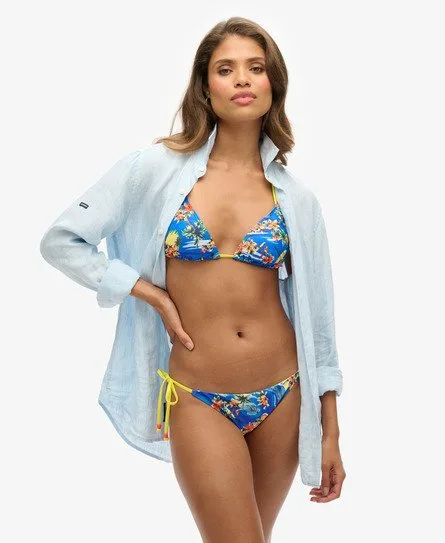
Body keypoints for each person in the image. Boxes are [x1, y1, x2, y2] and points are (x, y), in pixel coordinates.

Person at [40, 16, 346, 543]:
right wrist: (147, 292)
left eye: (255, 68)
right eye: (226, 69)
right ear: (205, 87)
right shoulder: (153, 169)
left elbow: (319, 320)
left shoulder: (296, 198)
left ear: (274, 83)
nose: (242, 79)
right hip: (198, 396)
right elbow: (62, 241)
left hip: (284, 394)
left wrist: (330, 431)